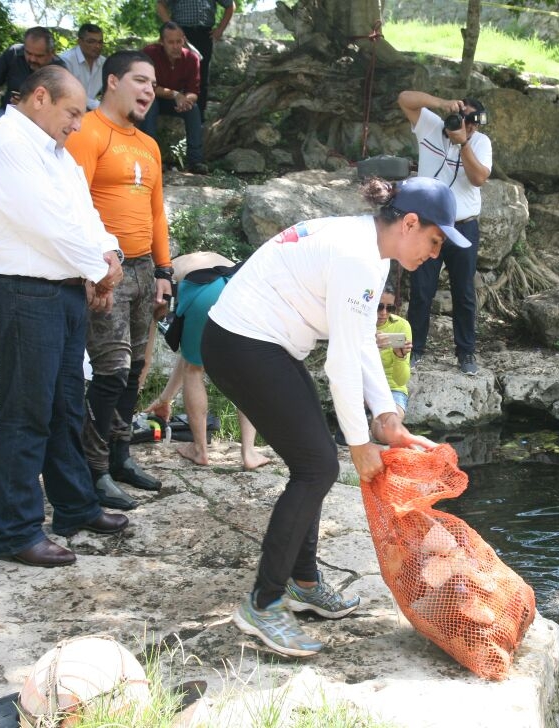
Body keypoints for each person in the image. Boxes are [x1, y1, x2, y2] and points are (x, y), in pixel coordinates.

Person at [201, 176, 463, 657]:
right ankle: (263, 603)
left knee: (314, 462)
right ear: (409, 223)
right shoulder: (357, 257)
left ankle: (302, 580)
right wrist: (360, 444)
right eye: (434, 240)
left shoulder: (371, 249)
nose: (434, 253)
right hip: (244, 343)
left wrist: (386, 416)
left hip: (258, 343)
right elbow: (340, 360)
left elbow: (361, 337)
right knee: (319, 465)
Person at [0, 65, 129, 568]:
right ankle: (16, 532)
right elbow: (46, 225)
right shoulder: (8, 144)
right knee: (27, 415)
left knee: (66, 407)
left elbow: (83, 216)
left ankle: (74, 506)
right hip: (21, 293)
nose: (77, 124)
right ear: (40, 97)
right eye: (72, 112)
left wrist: (108, 257)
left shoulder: (53, 152)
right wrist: (97, 271)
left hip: (58, 292)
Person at [64, 50, 171, 512]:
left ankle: (122, 457)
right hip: (104, 270)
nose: (149, 90)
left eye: (153, 84)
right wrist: (90, 269)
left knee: (132, 374)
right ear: (112, 81)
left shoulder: (148, 145)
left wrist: (166, 271)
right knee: (108, 372)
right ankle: (95, 469)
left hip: (146, 269)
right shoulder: (87, 131)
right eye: (140, 80)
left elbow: (156, 212)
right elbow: (72, 205)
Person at [145, 251, 271, 470]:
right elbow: (186, 356)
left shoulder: (164, 272)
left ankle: (200, 450)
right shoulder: (207, 257)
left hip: (204, 289)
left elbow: (189, 365)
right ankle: (249, 453)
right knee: (244, 371)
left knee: (195, 370)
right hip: (242, 288)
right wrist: (165, 399)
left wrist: (154, 319)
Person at [397, 90, 492, 375]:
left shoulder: (480, 142)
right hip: (427, 227)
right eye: (464, 119)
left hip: (464, 227)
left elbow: (479, 178)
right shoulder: (430, 127)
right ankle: (415, 351)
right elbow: (404, 98)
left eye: (474, 123)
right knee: (422, 292)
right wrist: (441, 104)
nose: (469, 126)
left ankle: (466, 353)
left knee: (463, 293)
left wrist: (464, 144)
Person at [0, 26, 64, 141]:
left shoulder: (60, 71)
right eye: (28, 53)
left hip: (39, 124)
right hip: (7, 114)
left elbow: (60, 107)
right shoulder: (14, 53)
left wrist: (29, 106)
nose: (32, 59)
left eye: (39, 56)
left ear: (51, 53)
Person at [141, 22, 208, 174]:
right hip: (153, 98)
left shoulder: (192, 59)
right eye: (171, 42)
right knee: (149, 104)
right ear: (161, 42)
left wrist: (187, 100)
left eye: (179, 41)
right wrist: (175, 94)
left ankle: (195, 161)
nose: (176, 46)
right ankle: (150, 159)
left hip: (176, 102)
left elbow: (194, 91)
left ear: (184, 40)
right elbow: (147, 87)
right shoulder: (149, 54)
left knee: (194, 109)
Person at [155, 0, 234, 119]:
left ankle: (198, 116)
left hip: (204, 33)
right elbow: (160, 5)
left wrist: (220, 29)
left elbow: (230, 6)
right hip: (181, 34)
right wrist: (173, 29)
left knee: (202, 75)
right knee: (176, 71)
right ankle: (172, 109)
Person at [375, 283, 412, 419]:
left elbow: (401, 380)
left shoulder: (402, 325)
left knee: (390, 425)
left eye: (389, 308)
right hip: (362, 386)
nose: (384, 313)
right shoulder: (358, 324)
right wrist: (371, 346)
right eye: (379, 307)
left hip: (392, 388)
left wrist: (400, 357)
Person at [60, 23, 106, 111]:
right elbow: (67, 94)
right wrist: (98, 106)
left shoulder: (104, 63)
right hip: (67, 109)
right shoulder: (66, 61)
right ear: (79, 42)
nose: (97, 46)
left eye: (100, 42)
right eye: (91, 41)